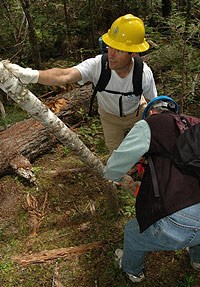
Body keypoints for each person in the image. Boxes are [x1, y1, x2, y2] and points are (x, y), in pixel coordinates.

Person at [6, 14, 157, 153]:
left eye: (119, 51)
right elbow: (65, 75)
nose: (111, 54)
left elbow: (153, 104)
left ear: (133, 53)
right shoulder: (98, 65)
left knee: (145, 148)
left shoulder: (143, 73)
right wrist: (30, 75)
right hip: (109, 118)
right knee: (116, 154)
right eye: (110, 46)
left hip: (137, 114)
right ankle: (122, 180)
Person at [104, 96, 200, 283]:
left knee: (133, 232)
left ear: (151, 112)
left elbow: (115, 165)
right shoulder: (194, 124)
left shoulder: (149, 124)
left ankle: (133, 271)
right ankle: (197, 260)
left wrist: (116, 176)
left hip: (180, 218)